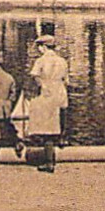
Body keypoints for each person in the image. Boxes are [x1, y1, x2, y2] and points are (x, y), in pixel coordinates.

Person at [24, 34, 69, 172]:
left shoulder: (41, 61)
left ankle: (49, 162)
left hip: (48, 92)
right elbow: (66, 81)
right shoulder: (62, 61)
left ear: (43, 47)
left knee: (47, 129)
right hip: (60, 92)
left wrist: (42, 86)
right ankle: (62, 139)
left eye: (39, 47)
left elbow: (35, 77)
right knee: (59, 121)